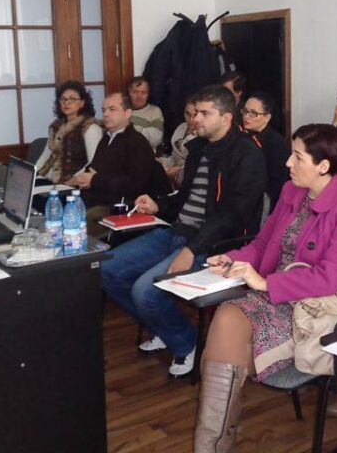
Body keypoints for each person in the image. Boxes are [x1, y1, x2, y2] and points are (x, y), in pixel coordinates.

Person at [193, 124, 337, 452]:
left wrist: (265, 282)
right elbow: (262, 246)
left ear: (323, 166)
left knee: (225, 349)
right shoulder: (292, 191)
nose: (288, 163)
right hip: (275, 293)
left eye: (297, 157)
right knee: (226, 319)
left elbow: (329, 278)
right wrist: (232, 260)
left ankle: (212, 445)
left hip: (316, 303)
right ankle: (212, 446)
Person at [100, 85, 266, 377]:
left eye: (204, 113)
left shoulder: (246, 154)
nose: (196, 119)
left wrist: (191, 250)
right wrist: (159, 205)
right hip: (177, 232)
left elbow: (232, 216)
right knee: (106, 269)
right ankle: (166, 328)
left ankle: (187, 343)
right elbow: (186, 198)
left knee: (145, 291)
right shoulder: (199, 149)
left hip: (214, 246)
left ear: (226, 118)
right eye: (195, 112)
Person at [72, 91, 157, 230]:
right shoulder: (106, 138)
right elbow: (94, 168)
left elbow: (135, 185)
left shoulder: (138, 143)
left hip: (117, 207)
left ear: (127, 113)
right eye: (103, 110)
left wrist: (94, 180)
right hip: (94, 197)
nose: (105, 114)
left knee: (76, 222)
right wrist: (82, 178)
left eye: (112, 109)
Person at [34, 80, 102, 183]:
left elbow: (93, 164)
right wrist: (32, 176)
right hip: (49, 180)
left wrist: (71, 182)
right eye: (63, 99)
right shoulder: (56, 125)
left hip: (73, 183)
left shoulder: (91, 127)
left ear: (82, 103)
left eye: (72, 99)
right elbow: (45, 156)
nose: (66, 102)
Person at [241, 91, 290, 214]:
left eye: (253, 113)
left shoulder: (276, 143)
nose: (246, 116)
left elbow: (278, 183)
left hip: (264, 205)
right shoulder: (242, 137)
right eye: (245, 111)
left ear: (267, 117)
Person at [160, 98, 198, 188]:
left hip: (192, 179)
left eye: (195, 115)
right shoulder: (181, 127)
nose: (191, 119)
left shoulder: (204, 134)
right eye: (188, 114)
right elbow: (174, 158)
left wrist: (178, 171)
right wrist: (161, 161)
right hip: (174, 173)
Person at [128, 75, 164, 151]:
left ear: (148, 94)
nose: (139, 96)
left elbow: (155, 140)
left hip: (144, 155)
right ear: (129, 92)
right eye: (135, 92)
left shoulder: (154, 111)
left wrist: (126, 128)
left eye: (143, 93)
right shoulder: (121, 110)